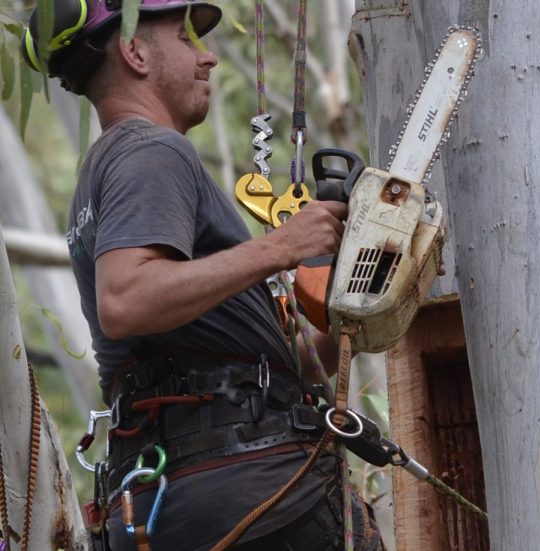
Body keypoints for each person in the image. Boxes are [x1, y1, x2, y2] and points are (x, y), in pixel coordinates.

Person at [23, 1, 385, 549]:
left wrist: (351, 315)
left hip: (173, 496)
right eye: (186, 38)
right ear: (135, 52)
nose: (209, 56)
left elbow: (254, 369)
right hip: (253, 496)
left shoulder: (108, 170)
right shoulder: (150, 150)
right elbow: (127, 300)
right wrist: (282, 246)